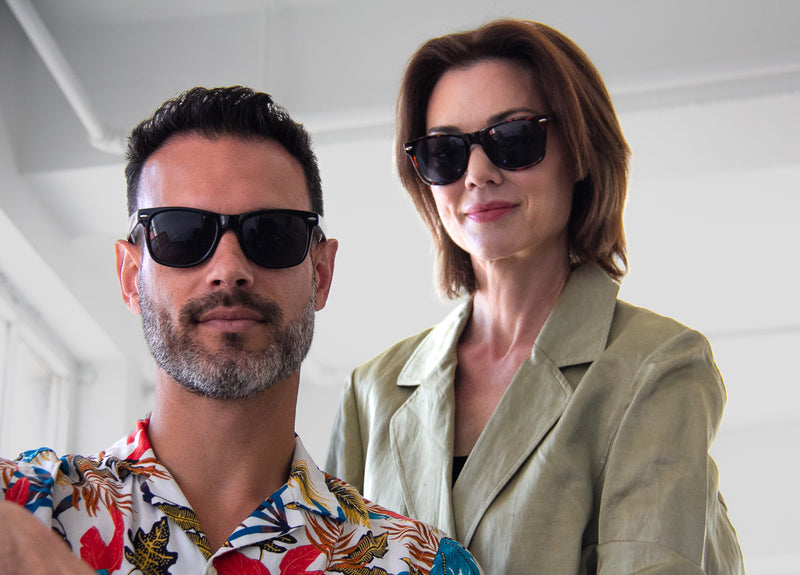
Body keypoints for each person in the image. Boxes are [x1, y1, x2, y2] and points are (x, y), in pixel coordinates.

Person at [0, 86, 482, 574]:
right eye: (182, 233)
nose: (229, 269)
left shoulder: (421, 565)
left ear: (321, 274)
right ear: (130, 278)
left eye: (272, 233)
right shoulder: (25, 509)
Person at [326, 19, 744, 574]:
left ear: (580, 151)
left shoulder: (657, 365)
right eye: (444, 151)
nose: (477, 173)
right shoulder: (371, 394)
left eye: (513, 138)